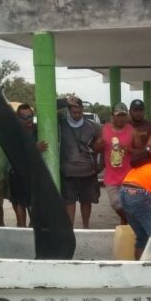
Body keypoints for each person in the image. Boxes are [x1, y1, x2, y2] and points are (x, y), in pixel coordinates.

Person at [60, 96, 103, 228]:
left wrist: (100, 167)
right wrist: (64, 101)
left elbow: (102, 146)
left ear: (83, 110)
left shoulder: (94, 127)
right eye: (73, 112)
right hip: (68, 172)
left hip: (88, 172)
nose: (77, 115)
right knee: (69, 202)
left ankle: (85, 226)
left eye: (79, 112)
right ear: (68, 111)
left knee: (86, 201)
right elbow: (48, 108)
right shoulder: (61, 123)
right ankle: (69, 228)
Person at [10, 103, 48, 227]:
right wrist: (34, 148)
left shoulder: (39, 129)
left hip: (35, 173)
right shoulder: (14, 133)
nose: (29, 120)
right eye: (25, 117)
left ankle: (33, 226)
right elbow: (15, 153)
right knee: (20, 203)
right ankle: (22, 227)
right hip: (18, 173)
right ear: (18, 118)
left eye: (31, 116)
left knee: (34, 202)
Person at [101, 102, 134, 224]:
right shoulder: (104, 129)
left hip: (129, 175)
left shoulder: (132, 131)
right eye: (118, 115)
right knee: (115, 203)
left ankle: (126, 229)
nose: (121, 118)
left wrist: (128, 149)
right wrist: (99, 145)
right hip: (111, 176)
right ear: (112, 116)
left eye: (123, 115)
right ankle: (132, 222)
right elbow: (96, 147)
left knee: (128, 204)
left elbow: (140, 151)